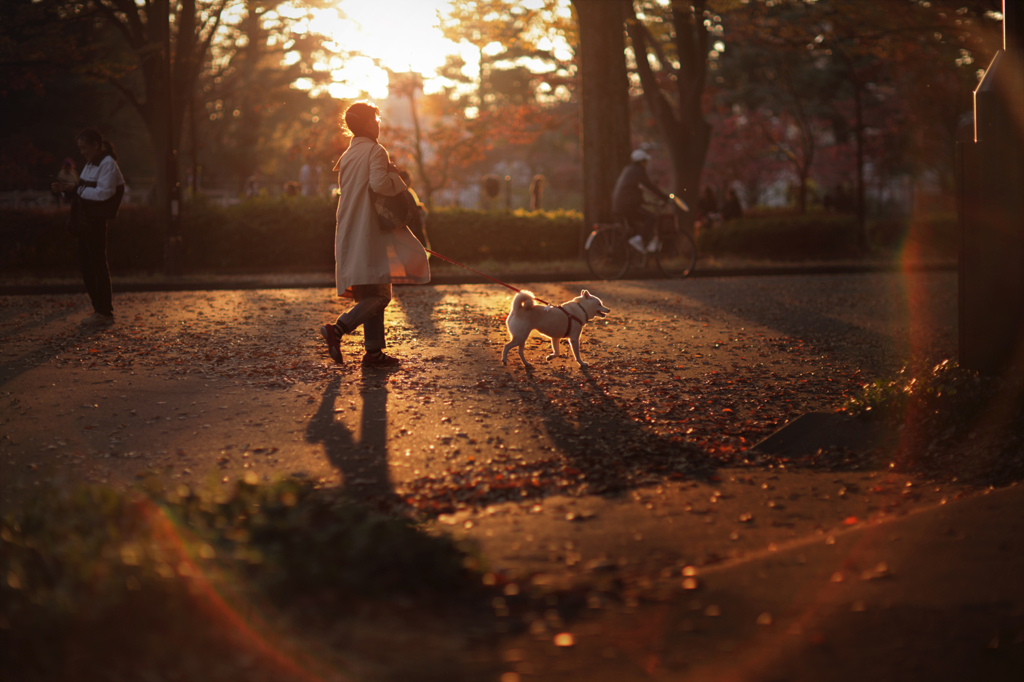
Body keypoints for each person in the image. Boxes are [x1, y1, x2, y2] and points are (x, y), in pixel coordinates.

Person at [319, 101, 430, 367]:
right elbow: (380, 184)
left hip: (350, 226)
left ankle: (374, 352)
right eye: (376, 119)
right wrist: (397, 178)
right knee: (380, 294)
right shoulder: (376, 151)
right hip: (370, 229)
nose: (378, 124)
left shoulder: (347, 155)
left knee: (371, 288)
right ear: (369, 123)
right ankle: (338, 329)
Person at [51, 129, 125, 326]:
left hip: (95, 222)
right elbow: (82, 191)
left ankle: (104, 311)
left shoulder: (107, 164)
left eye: (84, 147)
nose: (82, 152)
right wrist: (66, 191)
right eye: (80, 148)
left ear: (95, 145)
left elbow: (103, 194)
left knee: (98, 265)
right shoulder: (91, 164)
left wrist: (74, 189)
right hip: (86, 221)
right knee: (87, 266)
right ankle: (99, 310)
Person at [612, 149, 671, 253]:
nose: (646, 164)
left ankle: (634, 255)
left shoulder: (628, 170)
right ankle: (638, 240)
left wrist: (644, 201)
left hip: (619, 205)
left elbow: (631, 190)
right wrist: (665, 198)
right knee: (652, 218)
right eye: (645, 161)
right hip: (628, 207)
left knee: (634, 228)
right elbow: (650, 186)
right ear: (641, 161)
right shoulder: (638, 171)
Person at [398, 169, 430, 251]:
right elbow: (411, 211)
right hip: (412, 228)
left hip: (413, 227)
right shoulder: (404, 193)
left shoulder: (409, 192)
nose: (411, 180)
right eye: (409, 178)